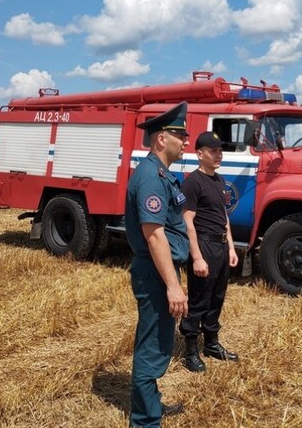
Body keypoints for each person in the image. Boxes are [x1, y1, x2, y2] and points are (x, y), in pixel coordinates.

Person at [125, 101, 191, 427]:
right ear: (162, 139)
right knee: (151, 346)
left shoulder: (160, 173)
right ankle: (144, 421)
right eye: (181, 135)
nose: (186, 141)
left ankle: (150, 409)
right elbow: (154, 236)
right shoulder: (152, 177)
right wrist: (173, 286)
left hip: (158, 270)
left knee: (158, 340)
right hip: (154, 272)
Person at [179, 131, 240, 372]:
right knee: (199, 299)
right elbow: (187, 222)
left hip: (221, 246)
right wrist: (196, 257)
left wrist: (231, 247)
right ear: (199, 154)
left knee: (217, 297)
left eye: (220, 151)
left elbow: (223, 216)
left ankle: (212, 344)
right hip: (204, 245)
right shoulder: (192, 182)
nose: (219, 155)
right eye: (213, 151)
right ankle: (191, 350)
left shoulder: (219, 180)